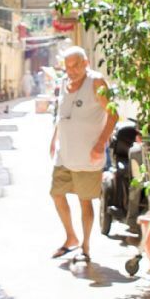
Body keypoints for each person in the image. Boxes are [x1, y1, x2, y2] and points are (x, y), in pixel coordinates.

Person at [47, 45, 115, 266]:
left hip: (88, 156)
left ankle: (85, 246)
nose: (71, 70)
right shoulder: (64, 84)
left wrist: (101, 144)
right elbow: (62, 115)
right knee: (57, 193)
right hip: (64, 154)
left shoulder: (96, 82)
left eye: (75, 65)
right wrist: (54, 138)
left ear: (86, 63)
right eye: (67, 67)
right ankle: (71, 236)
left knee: (85, 201)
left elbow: (113, 114)